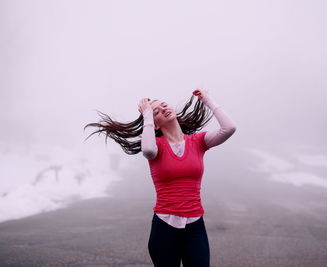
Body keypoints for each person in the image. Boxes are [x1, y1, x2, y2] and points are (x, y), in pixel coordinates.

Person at [84, 89, 236, 267]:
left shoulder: (198, 141)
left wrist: (208, 100)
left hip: (195, 227)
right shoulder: (156, 146)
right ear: (154, 124)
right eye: (156, 111)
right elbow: (148, 151)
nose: (163, 108)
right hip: (164, 228)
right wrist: (147, 114)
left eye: (164, 104)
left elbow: (229, 128)